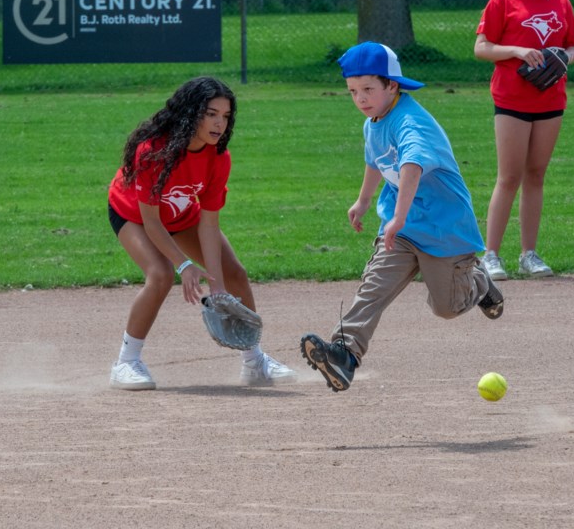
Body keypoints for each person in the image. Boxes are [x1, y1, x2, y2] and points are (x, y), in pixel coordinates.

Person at [299, 42, 504, 392]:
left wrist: (398, 216)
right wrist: (364, 201)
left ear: (392, 85)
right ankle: (345, 355)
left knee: (447, 308)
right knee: (373, 288)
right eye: (353, 91)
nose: (361, 99)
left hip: (443, 230)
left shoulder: (411, 121)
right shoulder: (373, 121)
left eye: (368, 89)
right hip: (403, 229)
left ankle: (479, 280)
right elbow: (374, 158)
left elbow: (411, 164)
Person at [107, 76, 296, 390]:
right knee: (161, 274)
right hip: (134, 214)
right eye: (211, 113)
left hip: (182, 216)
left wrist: (217, 284)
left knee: (235, 273)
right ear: (190, 112)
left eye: (225, 116)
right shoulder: (153, 150)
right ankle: (126, 363)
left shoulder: (218, 158)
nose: (219, 123)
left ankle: (254, 362)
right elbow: (152, 222)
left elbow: (209, 223)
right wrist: (184, 265)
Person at [474, 0, 574, 280]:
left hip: (550, 97)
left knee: (536, 175)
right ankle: (490, 255)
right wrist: (517, 51)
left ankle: (529, 255)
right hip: (512, 98)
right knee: (509, 176)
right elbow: (482, 47)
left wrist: (561, 57)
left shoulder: (561, 2)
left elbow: (573, 47)